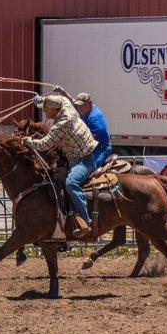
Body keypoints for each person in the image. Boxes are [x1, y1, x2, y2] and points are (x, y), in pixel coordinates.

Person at [22, 93, 98, 237]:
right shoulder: (67, 107)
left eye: (45, 108)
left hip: (84, 160)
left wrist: (26, 141)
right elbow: (63, 99)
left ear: (53, 110)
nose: (43, 111)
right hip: (79, 156)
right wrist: (43, 99)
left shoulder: (62, 124)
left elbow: (44, 144)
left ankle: (86, 220)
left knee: (71, 183)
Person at [74, 93, 112, 168]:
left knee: (86, 168)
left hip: (100, 149)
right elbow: (72, 101)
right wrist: (64, 93)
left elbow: (88, 142)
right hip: (93, 147)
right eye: (77, 105)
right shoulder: (86, 110)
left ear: (89, 104)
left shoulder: (95, 120)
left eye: (81, 105)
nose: (78, 108)